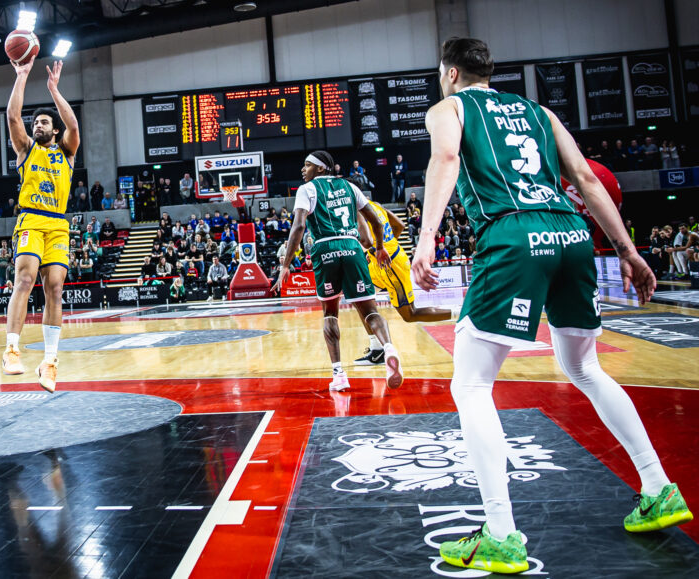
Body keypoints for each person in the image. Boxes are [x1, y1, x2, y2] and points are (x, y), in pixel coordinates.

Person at [413, 37, 690, 574]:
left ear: (450, 73)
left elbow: (445, 159)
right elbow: (585, 179)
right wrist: (628, 251)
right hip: (571, 233)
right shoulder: (539, 112)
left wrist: (426, 239)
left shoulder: (450, 108)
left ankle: (500, 534)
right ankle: (658, 487)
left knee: (471, 384)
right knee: (585, 368)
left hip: (514, 234)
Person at [272, 150, 402, 392]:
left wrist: (286, 264)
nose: (303, 169)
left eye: (307, 165)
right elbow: (375, 220)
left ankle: (339, 374)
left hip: (325, 248)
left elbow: (299, 226)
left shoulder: (307, 189)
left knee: (330, 314)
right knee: (370, 311)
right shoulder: (350, 187)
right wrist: (379, 248)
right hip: (352, 247)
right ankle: (389, 348)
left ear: (321, 168)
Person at [0, 55, 80, 393]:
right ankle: (11, 350)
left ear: (54, 129)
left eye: (44, 122)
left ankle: (49, 362)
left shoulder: (67, 152)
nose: (38, 126)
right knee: (25, 279)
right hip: (31, 218)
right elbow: (12, 116)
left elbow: (74, 126)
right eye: (36, 123)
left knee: (55, 289)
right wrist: (22, 75)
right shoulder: (26, 150)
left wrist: (54, 90)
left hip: (58, 224)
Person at [351, 200, 451, 366]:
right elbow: (399, 225)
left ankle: (460, 313)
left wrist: (383, 250)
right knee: (360, 298)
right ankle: (377, 349)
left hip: (391, 264)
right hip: (381, 261)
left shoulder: (357, 208)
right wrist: (387, 247)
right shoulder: (375, 205)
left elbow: (366, 242)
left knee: (410, 315)